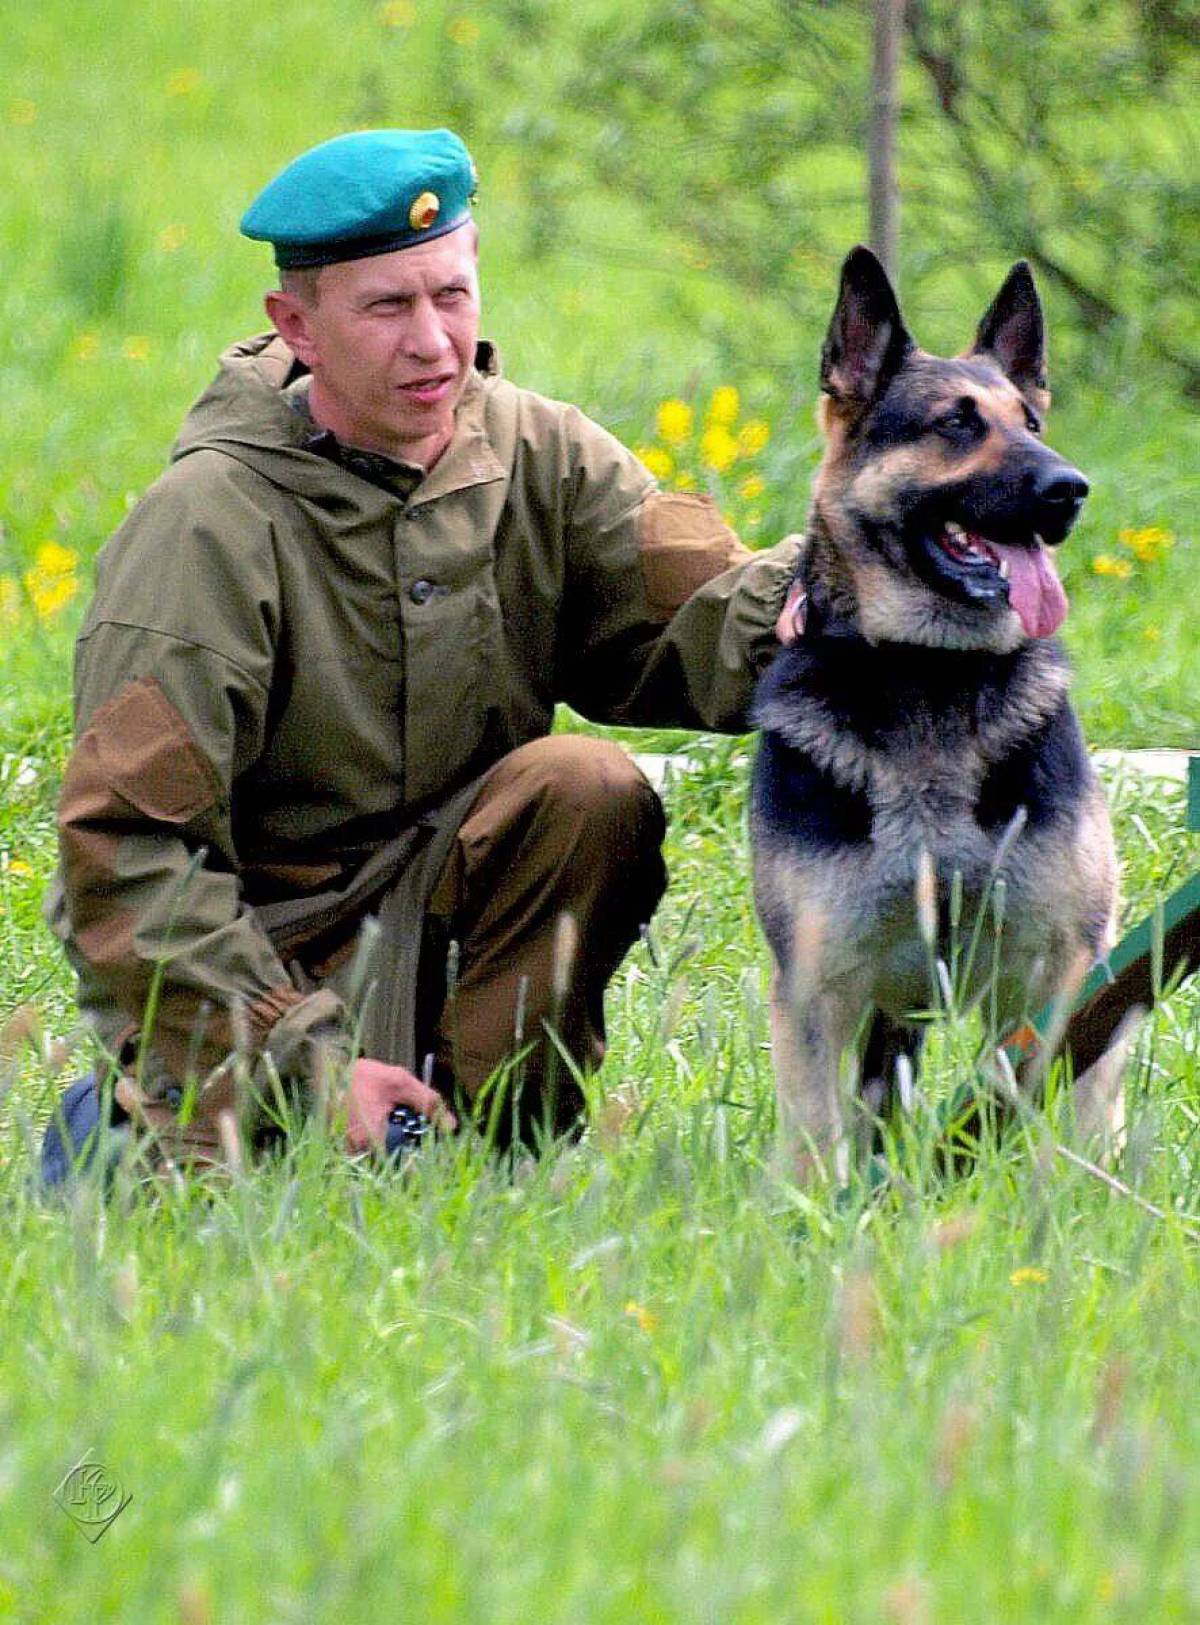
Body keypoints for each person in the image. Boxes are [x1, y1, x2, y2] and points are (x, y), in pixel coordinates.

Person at [40, 127, 801, 1181]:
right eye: (389, 307)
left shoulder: (542, 452)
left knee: (583, 785)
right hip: (269, 957)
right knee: (223, 1221)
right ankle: (154, 1113)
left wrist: (846, 576)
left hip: (449, 927)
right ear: (295, 325)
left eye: (452, 294)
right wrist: (299, 1063)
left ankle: (494, 1153)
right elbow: (126, 854)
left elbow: (699, 619)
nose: (435, 342)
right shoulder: (205, 526)